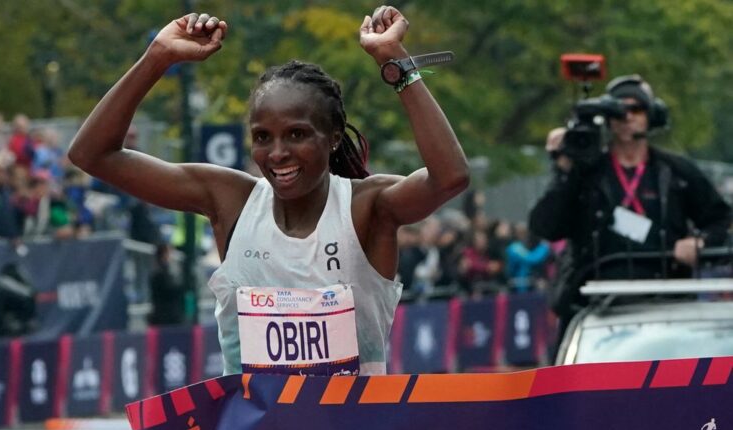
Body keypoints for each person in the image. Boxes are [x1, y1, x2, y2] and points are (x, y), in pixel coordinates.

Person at [68, 7, 469, 376]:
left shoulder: (366, 207)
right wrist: (157, 57)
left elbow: (450, 177)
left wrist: (394, 64)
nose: (278, 154)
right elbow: (93, 154)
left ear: (331, 138)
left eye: (297, 134)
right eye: (263, 137)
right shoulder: (231, 200)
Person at [529, 75, 731, 342]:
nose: (628, 117)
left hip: (666, 300)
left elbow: (722, 220)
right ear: (608, 119)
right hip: (596, 302)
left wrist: (700, 244)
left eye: (636, 109)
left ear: (651, 115)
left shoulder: (676, 172)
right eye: (619, 110)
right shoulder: (587, 173)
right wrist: (565, 171)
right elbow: (545, 226)